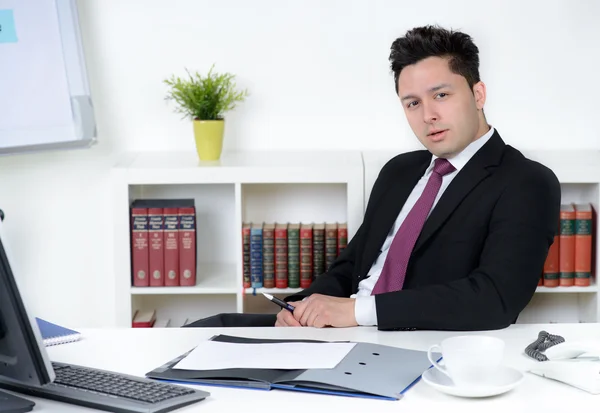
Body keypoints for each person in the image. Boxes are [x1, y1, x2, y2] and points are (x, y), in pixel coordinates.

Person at [276, 25, 561, 331]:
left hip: (414, 344)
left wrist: (358, 312)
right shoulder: (398, 171)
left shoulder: (526, 182)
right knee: (219, 329)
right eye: (412, 103)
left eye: (441, 95)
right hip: (335, 336)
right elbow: (350, 269)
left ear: (478, 94)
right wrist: (302, 307)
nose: (428, 115)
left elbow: (495, 299)